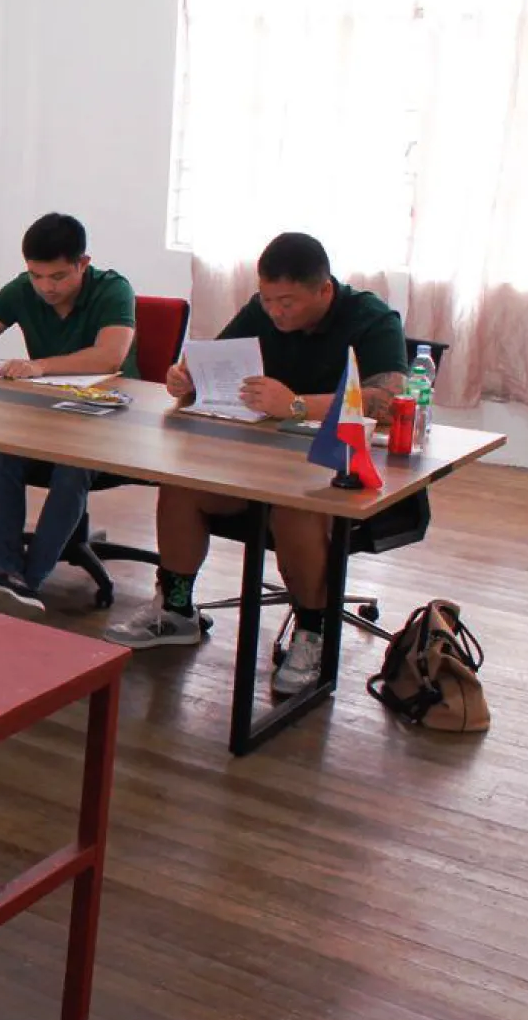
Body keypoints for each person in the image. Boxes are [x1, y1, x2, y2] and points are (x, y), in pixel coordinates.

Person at [105, 232, 410, 695]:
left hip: (344, 472)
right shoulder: (262, 309)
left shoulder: (371, 319)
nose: (276, 312)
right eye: (268, 300)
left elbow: (387, 401)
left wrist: (297, 405)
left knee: (295, 505)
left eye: (287, 302)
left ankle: (312, 632)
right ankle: (176, 609)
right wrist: (187, 378)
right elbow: (216, 360)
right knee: (183, 485)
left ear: (324, 290)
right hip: (261, 462)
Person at [0, 214, 138, 617]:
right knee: (3, 449)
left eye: (57, 277)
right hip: (47, 415)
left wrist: (41, 366)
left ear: (82, 264)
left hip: (108, 419)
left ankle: (27, 582)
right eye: (36, 276)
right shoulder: (25, 290)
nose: (46, 288)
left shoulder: (113, 289)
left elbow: (111, 355)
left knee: (73, 468)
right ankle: (4, 572)